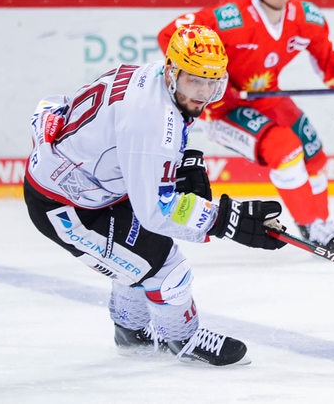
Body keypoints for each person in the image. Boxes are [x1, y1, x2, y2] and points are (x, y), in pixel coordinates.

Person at [24, 25, 287, 366]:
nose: (204, 92)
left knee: (137, 258)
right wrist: (227, 220)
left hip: (97, 185)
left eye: (212, 82)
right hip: (67, 207)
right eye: (195, 80)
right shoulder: (150, 122)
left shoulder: (154, 79)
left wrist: (181, 164)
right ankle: (183, 338)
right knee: (164, 265)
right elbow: (157, 212)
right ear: (174, 71)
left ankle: (131, 331)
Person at [157, 0, 334, 252]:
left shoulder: (305, 17)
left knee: (313, 153)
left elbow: (330, 58)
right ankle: (310, 226)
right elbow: (171, 34)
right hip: (225, 108)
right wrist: (214, 81)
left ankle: (320, 223)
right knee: (285, 150)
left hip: (267, 97)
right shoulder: (231, 16)